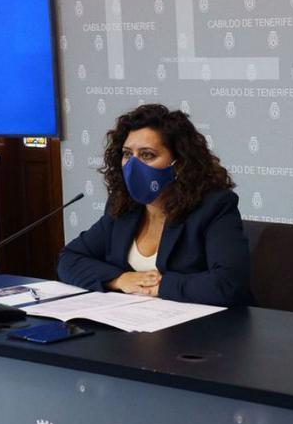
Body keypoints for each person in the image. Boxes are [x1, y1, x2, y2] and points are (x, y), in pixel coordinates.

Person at [58, 104, 252, 306]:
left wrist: (157, 287)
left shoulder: (213, 206)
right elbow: (69, 259)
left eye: (147, 155)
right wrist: (121, 280)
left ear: (180, 163)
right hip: (135, 325)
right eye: (127, 154)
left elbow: (229, 284)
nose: (133, 165)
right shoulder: (123, 206)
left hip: (205, 330)